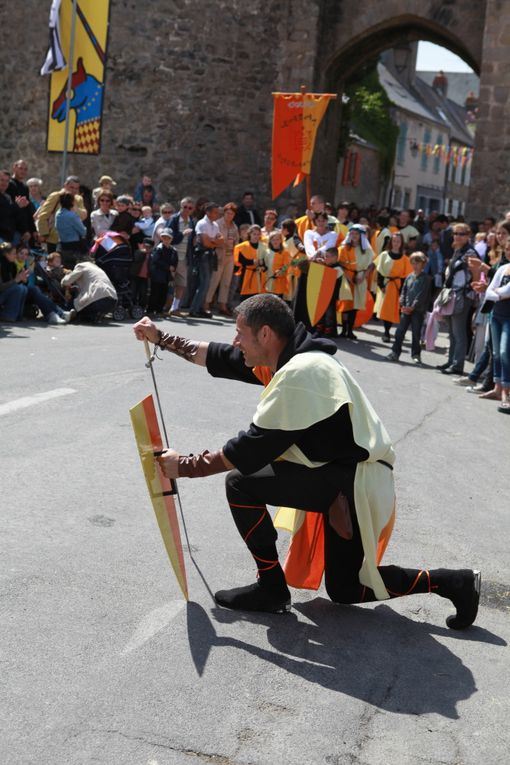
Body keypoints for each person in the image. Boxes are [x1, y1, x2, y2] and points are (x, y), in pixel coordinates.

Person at [132, 295, 481, 629]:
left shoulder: (303, 372)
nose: (235, 340)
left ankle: (271, 588)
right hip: (341, 480)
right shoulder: (291, 356)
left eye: (239, 332)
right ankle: (455, 582)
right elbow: (224, 358)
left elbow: (252, 448)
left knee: (241, 481)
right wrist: (161, 338)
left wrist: (187, 466)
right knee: (345, 590)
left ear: (265, 334)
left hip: (356, 485)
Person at [437, 223, 478, 375]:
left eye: (461, 234)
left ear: (468, 236)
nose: (457, 236)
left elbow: (477, 275)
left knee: (459, 332)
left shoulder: (470, 253)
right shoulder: (458, 250)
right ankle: (451, 361)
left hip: (462, 296)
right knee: (452, 332)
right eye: (455, 233)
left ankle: (457, 365)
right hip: (451, 294)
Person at [0, 241, 72, 324]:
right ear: (6, 254)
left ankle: (55, 314)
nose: (17, 255)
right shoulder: (5, 265)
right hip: (4, 295)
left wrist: (23, 281)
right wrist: (17, 280)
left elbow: (17, 283)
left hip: (14, 294)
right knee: (21, 288)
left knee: (33, 289)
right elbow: (4, 286)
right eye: (16, 253)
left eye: (26, 254)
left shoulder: (12, 264)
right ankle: (9, 315)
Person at [386, 252, 432, 364]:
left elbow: (422, 295)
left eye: (417, 263)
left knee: (416, 333)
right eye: (413, 263)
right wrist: (402, 303)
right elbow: (404, 290)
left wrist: (413, 306)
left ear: (423, 264)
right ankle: (395, 352)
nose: (415, 265)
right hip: (406, 309)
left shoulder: (426, 279)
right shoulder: (409, 276)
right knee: (400, 332)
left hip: (418, 311)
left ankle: (416, 354)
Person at [337, 224, 374, 339]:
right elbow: (340, 264)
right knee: (346, 305)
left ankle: (350, 330)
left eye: (356, 234)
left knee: (355, 306)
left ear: (361, 235)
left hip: (360, 278)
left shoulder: (367, 250)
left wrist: (364, 276)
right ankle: (343, 330)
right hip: (346, 277)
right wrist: (348, 277)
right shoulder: (343, 248)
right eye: (352, 233)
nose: (354, 236)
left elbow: (370, 265)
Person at [374, 231, 412, 343]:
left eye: (398, 241)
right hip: (386, 284)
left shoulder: (405, 259)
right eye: (394, 241)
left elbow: (406, 276)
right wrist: (381, 285)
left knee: (396, 309)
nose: (396, 243)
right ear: (391, 242)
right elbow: (379, 271)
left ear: (401, 243)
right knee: (386, 309)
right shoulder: (384, 255)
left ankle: (396, 331)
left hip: (397, 286)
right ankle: (386, 332)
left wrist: (403, 290)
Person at [188, 202, 223, 318]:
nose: (217, 215)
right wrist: (214, 241)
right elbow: (205, 242)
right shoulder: (202, 224)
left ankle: (199, 308)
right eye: (215, 212)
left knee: (207, 284)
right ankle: (194, 309)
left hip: (210, 255)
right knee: (204, 283)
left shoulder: (215, 225)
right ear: (208, 212)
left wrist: (212, 241)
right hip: (202, 255)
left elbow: (221, 241)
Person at [35, 175, 87, 254]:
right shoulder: (56, 196)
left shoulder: (78, 199)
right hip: (54, 239)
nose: (74, 190)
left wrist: (75, 207)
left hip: (73, 241)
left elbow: (83, 216)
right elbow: (43, 215)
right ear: (65, 185)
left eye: (76, 188)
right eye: (71, 187)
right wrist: (44, 234)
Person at [204, 202, 239, 316]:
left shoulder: (234, 226)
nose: (229, 216)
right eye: (228, 213)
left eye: (232, 214)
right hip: (219, 255)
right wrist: (222, 244)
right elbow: (212, 240)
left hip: (230, 256)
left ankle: (222, 304)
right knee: (214, 280)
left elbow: (237, 241)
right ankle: (206, 303)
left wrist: (234, 248)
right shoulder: (217, 224)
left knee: (226, 282)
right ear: (224, 213)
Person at [61, 256, 117, 322]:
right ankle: (93, 315)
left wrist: (65, 277)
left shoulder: (82, 266)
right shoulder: (97, 268)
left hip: (97, 299)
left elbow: (67, 281)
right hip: (112, 300)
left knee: (74, 305)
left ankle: (80, 315)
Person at [166, 197, 195, 316]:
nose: (187, 210)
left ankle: (175, 307)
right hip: (173, 256)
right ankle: (165, 307)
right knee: (169, 283)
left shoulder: (192, 221)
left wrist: (194, 240)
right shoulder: (174, 219)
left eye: (190, 208)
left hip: (184, 257)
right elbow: (169, 238)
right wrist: (182, 234)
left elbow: (192, 240)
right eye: (185, 207)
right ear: (180, 206)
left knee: (181, 284)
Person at [54, 192, 88, 269]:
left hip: (61, 246)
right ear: (72, 202)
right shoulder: (72, 216)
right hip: (74, 248)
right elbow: (83, 231)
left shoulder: (58, 214)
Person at [148, 230, 177, 314]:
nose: (166, 240)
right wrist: (168, 267)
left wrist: (173, 268)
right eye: (164, 238)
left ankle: (159, 310)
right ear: (161, 238)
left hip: (166, 276)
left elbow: (175, 261)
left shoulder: (173, 250)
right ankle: (150, 310)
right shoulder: (158, 248)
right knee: (155, 293)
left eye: (168, 238)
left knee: (163, 293)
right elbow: (156, 261)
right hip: (157, 275)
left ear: (171, 239)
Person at [234, 224, 267, 299]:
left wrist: (262, 265)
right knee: (246, 297)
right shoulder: (242, 247)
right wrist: (252, 262)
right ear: (250, 234)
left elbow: (267, 261)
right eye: (254, 234)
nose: (256, 236)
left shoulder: (264, 247)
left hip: (260, 276)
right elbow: (240, 260)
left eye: (258, 234)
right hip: (246, 274)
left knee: (258, 297)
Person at [261, 229, 290, 300]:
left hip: (279, 283)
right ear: (270, 241)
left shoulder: (285, 253)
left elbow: (286, 266)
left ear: (281, 240)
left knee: (277, 302)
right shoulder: (267, 252)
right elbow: (264, 264)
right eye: (273, 240)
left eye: (277, 239)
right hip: (267, 281)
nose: (275, 241)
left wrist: (280, 272)